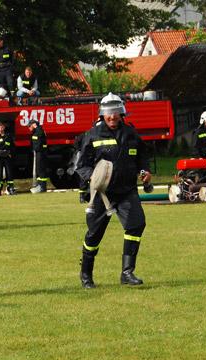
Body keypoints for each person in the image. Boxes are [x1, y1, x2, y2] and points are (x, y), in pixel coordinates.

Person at [76, 93, 152, 289]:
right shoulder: (93, 134)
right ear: (102, 114)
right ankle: (86, 274)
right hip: (102, 194)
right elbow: (81, 165)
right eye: (108, 113)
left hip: (127, 191)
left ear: (122, 113)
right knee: (94, 235)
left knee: (136, 225)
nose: (112, 117)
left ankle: (127, 272)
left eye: (116, 112)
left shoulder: (130, 133)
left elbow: (142, 155)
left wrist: (145, 171)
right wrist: (92, 177)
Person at [0, 122, 16, 195]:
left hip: (7, 157)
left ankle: (10, 188)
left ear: (4, 128)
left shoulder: (8, 136)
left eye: (2, 127)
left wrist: (11, 154)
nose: (0, 128)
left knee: (9, 173)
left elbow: (13, 147)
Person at [28, 119, 49, 193]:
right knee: (39, 170)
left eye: (30, 126)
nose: (29, 128)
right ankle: (40, 186)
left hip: (41, 152)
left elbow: (40, 137)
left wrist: (36, 127)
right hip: (38, 153)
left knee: (41, 170)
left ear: (34, 125)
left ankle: (43, 187)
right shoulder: (35, 132)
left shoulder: (39, 130)